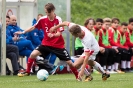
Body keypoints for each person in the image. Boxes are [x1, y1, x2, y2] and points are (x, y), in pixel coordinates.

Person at [15, 3, 81, 81]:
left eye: (49, 12)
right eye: (46, 12)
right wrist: (23, 32)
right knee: (33, 54)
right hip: (46, 44)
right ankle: (28, 71)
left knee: (69, 62)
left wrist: (52, 35)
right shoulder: (42, 19)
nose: (47, 14)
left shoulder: (58, 19)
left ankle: (77, 76)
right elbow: (33, 27)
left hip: (58, 45)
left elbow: (59, 33)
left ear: (53, 10)